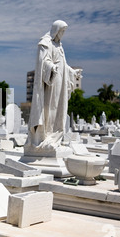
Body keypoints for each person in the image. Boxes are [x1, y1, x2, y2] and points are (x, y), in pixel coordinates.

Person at [24, 20, 82, 155]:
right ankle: (45, 136)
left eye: (64, 32)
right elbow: (43, 62)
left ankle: (54, 137)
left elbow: (63, 64)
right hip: (50, 83)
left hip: (60, 82)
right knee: (49, 108)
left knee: (59, 109)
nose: (62, 34)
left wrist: (72, 72)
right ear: (56, 30)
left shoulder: (59, 46)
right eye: (61, 31)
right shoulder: (45, 43)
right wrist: (51, 67)